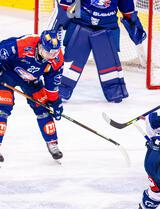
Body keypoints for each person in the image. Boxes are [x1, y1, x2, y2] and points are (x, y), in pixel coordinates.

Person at [52, 0, 147, 103]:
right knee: (72, 59)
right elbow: (66, 4)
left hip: (107, 25)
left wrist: (133, 24)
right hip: (82, 21)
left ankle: (115, 90)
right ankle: (59, 88)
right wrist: (59, 21)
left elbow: (127, 10)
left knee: (108, 62)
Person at [0, 30, 64, 162]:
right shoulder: (25, 44)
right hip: (7, 74)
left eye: (55, 52)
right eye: (48, 52)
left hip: (31, 80)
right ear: (40, 46)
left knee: (44, 109)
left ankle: (52, 143)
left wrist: (55, 102)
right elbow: (2, 50)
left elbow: (52, 83)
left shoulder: (56, 59)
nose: (51, 56)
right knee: (2, 108)